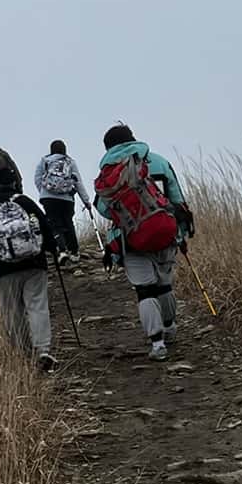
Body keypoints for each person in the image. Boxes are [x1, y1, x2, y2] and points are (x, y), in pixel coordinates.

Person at [92, 122, 191, 361]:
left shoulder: (108, 172)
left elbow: (103, 209)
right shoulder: (157, 161)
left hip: (131, 239)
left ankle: (157, 344)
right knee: (164, 283)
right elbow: (177, 198)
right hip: (165, 232)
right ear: (133, 138)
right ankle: (170, 327)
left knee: (145, 290)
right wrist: (182, 232)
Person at [0, 191, 60, 372]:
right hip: (34, 265)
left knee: (12, 312)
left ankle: (24, 355)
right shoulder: (25, 202)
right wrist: (54, 249)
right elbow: (44, 226)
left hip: (3, 271)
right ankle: (43, 350)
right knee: (38, 306)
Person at [33, 141, 93, 267]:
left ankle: (62, 250)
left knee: (54, 224)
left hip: (49, 198)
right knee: (68, 223)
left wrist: (45, 191)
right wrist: (86, 201)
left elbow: (37, 178)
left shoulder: (44, 161)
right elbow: (78, 182)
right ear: (64, 150)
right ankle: (74, 252)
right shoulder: (70, 162)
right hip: (67, 198)